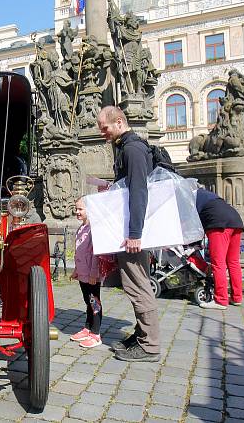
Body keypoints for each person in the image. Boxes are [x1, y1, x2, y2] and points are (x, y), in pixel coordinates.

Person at [96, 106, 159, 362]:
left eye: (105, 128)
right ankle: (142, 334)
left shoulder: (132, 149)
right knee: (134, 282)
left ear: (119, 121)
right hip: (130, 230)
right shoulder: (128, 147)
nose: (103, 134)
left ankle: (150, 345)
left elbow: (138, 192)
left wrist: (135, 233)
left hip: (133, 233)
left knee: (138, 285)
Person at [195, 188, 244, 310]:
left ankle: (221, 300)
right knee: (233, 262)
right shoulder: (207, 194)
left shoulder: (190, 197)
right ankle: (237, 297)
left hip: (218, 223)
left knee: (218, 263)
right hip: (236, 220)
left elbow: (192, 223)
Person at [70, 198, 104, 348]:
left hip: (91, 275)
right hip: (83, 274)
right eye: (76, 209)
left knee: (94, 302)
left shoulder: (94, 229)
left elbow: (96, 254)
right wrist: (76, 271)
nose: (77, 212)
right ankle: (88, 327)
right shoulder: (81, 228)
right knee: (87, 301)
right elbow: (79, 252)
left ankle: (96, 334)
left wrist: (93, 274)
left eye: (80, 209)